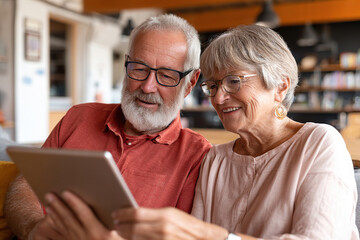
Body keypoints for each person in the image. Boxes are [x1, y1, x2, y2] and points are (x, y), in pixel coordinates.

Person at [109, 25, 359, 239]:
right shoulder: (215, 159)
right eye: (213, 85)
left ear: (280, 87)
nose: (218, 97)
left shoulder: (318, 144)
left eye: (233, 81)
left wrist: (213, 236)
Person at [4, 14, 211, 240]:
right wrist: (33, 228)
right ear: (126, 64)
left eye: (166, 75)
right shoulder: (79, 117)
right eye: (139, 69)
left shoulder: (197, 156)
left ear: (190, 83)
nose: (149, 86)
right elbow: (26, 184)